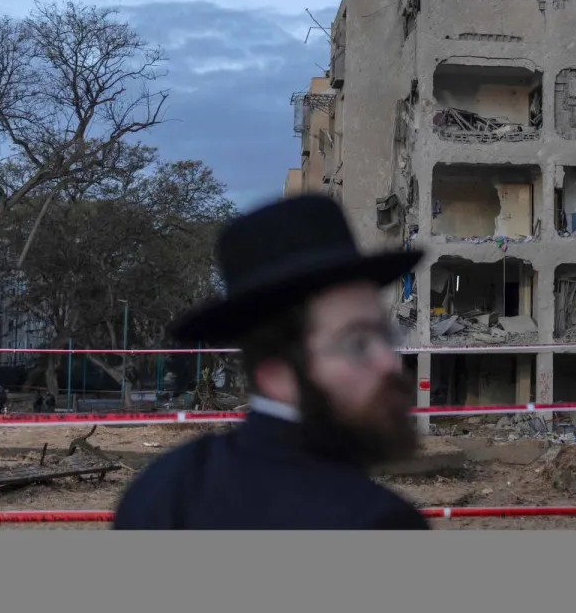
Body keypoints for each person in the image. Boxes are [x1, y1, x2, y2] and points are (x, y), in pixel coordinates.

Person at [112, 193, 429, 530]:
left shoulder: (159, 489)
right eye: (357, 343)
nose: (389, 365)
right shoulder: (379, 522)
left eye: (385, 336)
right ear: (276, 374)